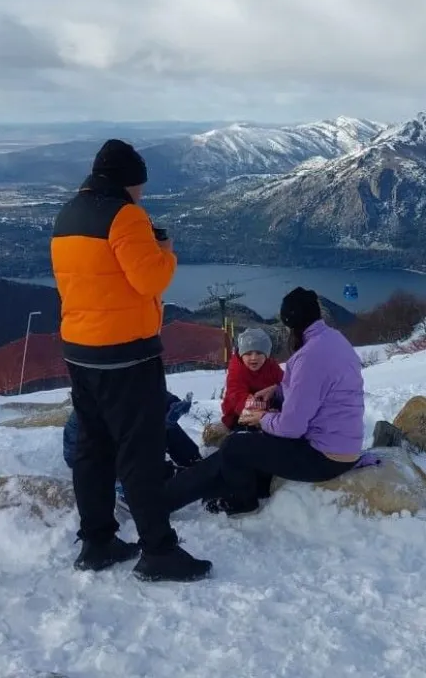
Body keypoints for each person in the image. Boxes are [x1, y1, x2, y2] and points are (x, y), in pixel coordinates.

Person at [50, 139, 211, 582]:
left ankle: (97, 541)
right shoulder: (125, 216)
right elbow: (150, 280)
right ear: (127, 180)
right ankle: (158, 551)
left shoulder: (67, 216)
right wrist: (165, 250)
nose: (142, 194)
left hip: (80, 352)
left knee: (93, 446)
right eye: (140, 185)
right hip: (126, 354)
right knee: (139, 452)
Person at [165, 287, 365, 517]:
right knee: (246, 447)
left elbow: (291, 427)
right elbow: (316, 389)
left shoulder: (309, 357)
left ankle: (240, 501)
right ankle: (177, 493)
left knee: (235, 446)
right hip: (343, 447)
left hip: (323, 457)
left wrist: (263, 418)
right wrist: (277, 390)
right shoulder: (334, 340)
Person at [63, 391, 201, 480]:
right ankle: (159, 477)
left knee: (168, 427)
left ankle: (194, 464)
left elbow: (154, 393)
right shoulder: (107, 396)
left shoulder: (133, 383)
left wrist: (173, 404)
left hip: (118, 441)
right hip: (89, 456)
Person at [201, 328, 285, 448]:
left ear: (267, 354)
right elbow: (237, 395)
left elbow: (286, 383)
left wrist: (277, 393)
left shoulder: (271, 366)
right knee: (245, 439)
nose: (254, 358)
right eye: (248, 353)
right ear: (241, 353)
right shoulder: (237, 369)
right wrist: (258, 412)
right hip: (238, 414)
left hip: (267, 411)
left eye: (259, 353)